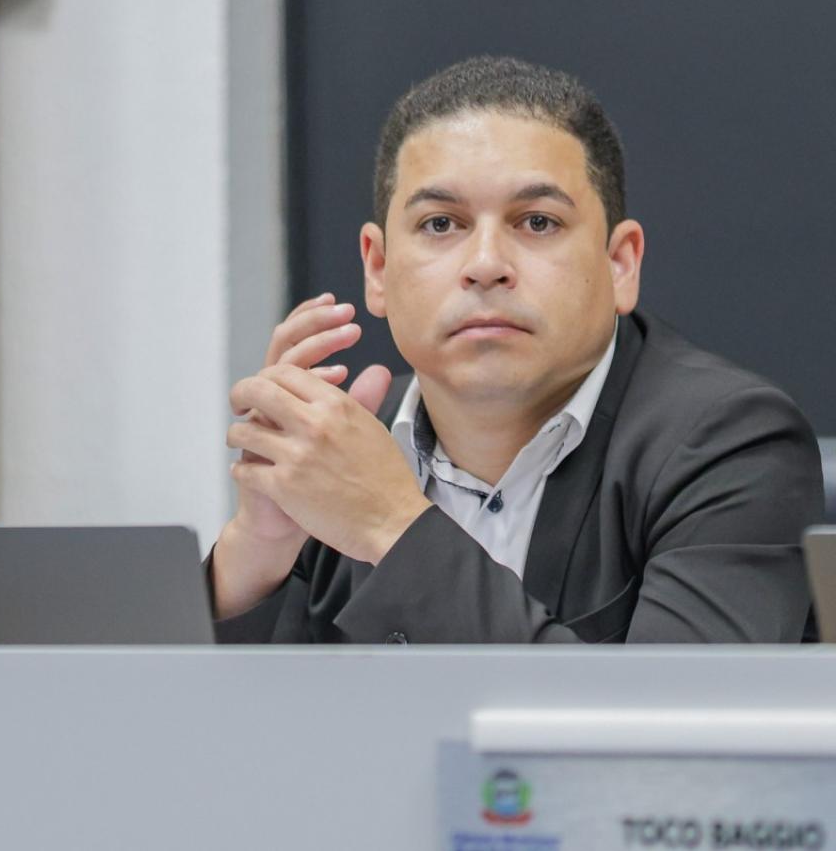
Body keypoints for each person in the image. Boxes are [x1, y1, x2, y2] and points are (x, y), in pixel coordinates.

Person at [210, 56, 823, 643]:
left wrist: (391, 525)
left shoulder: (732, 443)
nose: (485, 265)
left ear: (620, 264)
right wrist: (259, 548)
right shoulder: (338, 450)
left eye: (537, 222)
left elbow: (670, 713)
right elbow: (219, 712)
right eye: (440, 224)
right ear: (377, 267)